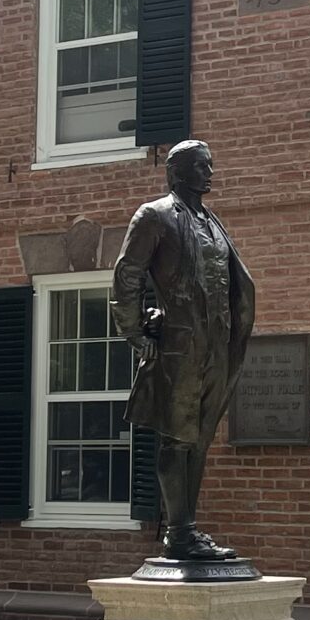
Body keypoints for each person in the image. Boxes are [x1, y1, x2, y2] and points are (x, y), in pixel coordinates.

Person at [111, 138, 256, 562]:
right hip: (178, 348)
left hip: (217, 347)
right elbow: (127, 276)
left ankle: (187, 529)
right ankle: (179, 532)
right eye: (200, 166)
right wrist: (137, 333)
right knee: (177, 439)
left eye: (210, 165)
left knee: (200, 441)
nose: (209, 173)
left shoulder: (212, 221)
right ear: (176, 172)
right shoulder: (154, 216)